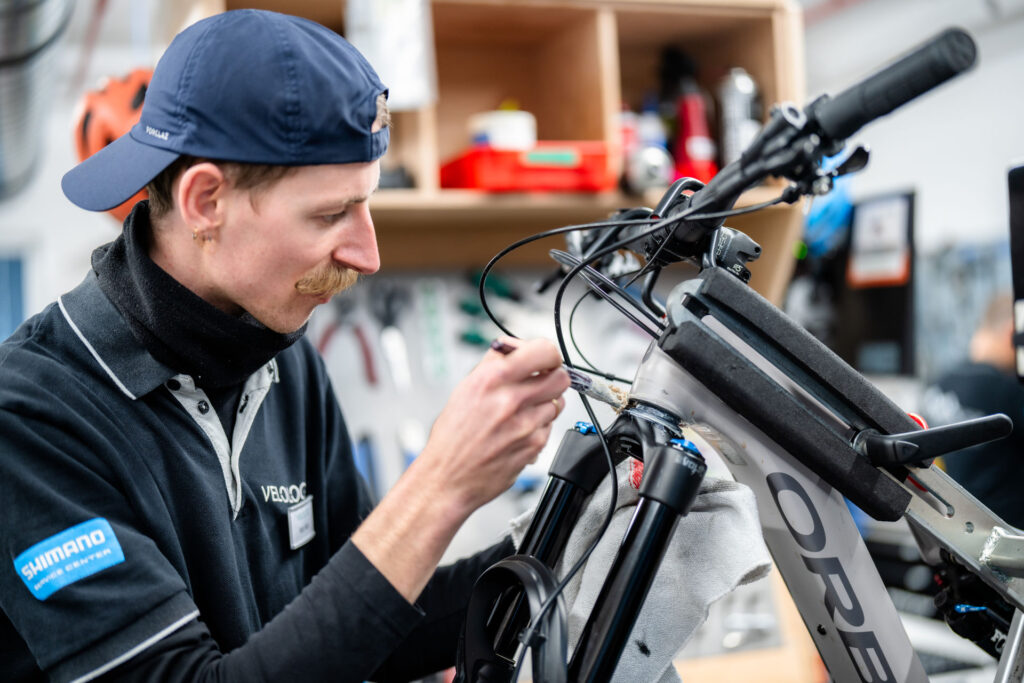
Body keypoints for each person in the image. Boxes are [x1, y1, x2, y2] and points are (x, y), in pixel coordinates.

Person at [0, 10, 569, 683]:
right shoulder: (31, 418)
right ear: (205, 201)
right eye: (331, 214)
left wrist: (568, 542)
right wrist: (440, 486)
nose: (368, 254)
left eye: (366, 204)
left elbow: (367, 626)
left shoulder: (281, 358)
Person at [920, 290, 1024, 528]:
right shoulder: (1007, 392)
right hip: (1004, 538)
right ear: (1013, 332)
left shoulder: (941, 382)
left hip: (947, 532)